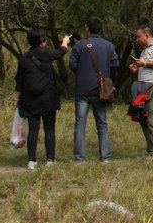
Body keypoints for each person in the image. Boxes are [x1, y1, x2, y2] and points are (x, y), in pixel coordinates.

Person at [15, 28, 71, 169]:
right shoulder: (47, 53)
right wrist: (65, 42)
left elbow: (19, 82)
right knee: (49, 129)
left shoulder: (24, 58)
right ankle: (50, 160)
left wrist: (17, 100)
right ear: (43, 41)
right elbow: (61, 52)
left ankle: (31, 161)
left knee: (33, 130)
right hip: (48, 97)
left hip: (30, 99)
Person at [69, 17, 119, 162]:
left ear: (87, 28)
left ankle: (80, 158)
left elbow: (72, 64)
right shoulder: (108, 46)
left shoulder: (79, 45)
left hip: (82, 89)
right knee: (102, 123)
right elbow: (115, 63)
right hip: (100, 90)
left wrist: (82, 73)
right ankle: (106, 157)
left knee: (80, 124)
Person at [128, 25, 153, 157]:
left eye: (138, 36)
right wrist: (136, 69)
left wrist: (144, 63)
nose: (137, 39)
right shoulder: (144, 51)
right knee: (142, 118)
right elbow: (145, 67)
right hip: (142, 88)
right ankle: (151, 150)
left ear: (146, 35)